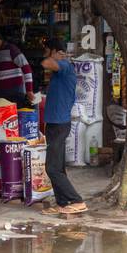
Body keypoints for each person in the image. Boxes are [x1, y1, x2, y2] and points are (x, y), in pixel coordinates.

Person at [40, 38, 87, 215]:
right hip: (54, 124)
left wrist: (54, 55)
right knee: (58, 167)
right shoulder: (60, 72)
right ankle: (63, 202)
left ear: (57, 53)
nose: (45, 54)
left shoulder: (65, 67)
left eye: (47, 50)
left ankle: (76, 200)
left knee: (51, 168)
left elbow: (46, 62)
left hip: (59, 125)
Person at [0, 30, 34, 107]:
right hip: (1, 95)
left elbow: (27, 69)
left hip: (16, 93)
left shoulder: (11, 49)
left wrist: (29, 90)